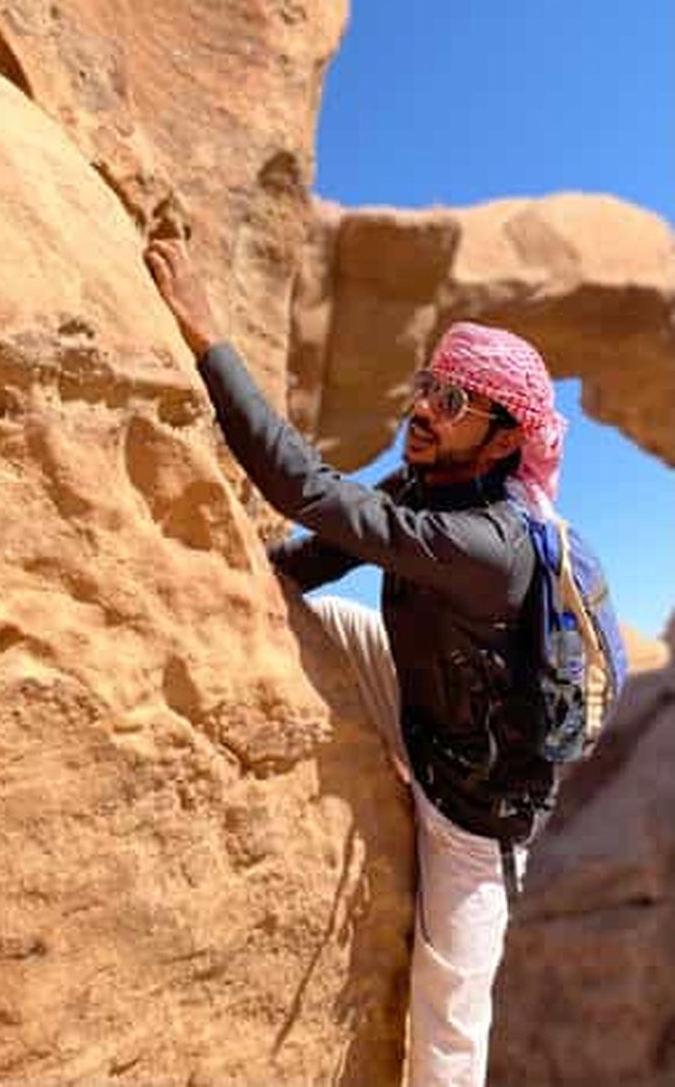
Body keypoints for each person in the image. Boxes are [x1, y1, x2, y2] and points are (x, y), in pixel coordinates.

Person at [144, 234, 568, 1087]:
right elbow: (321, 550)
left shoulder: (490, 543)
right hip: (425, 706)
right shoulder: (430, 483)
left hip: (476, 809)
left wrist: (207, 339)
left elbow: (310, 491)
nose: (426, 409)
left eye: (454, 401)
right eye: (428, 386)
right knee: (325, 617)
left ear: (499, 440)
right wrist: (241, 585)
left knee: (448, 1024)